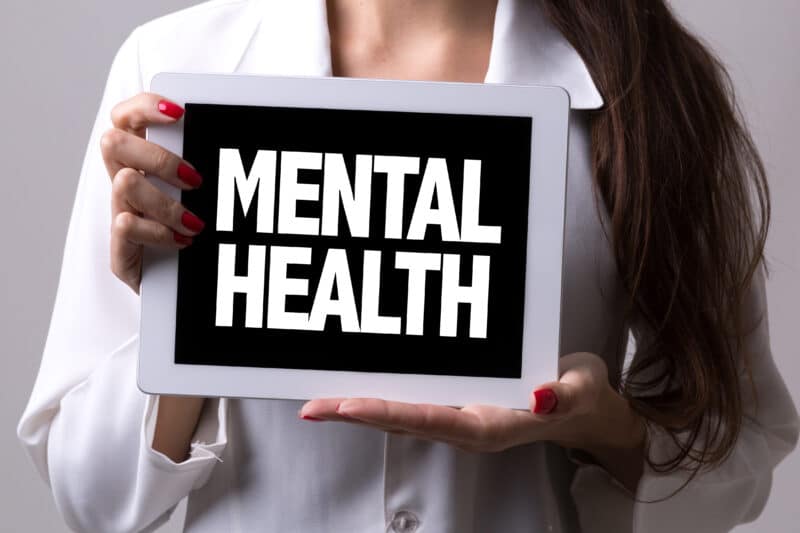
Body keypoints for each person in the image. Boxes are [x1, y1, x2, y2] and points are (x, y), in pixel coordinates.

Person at [17, 0, 799, 531]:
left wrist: (604, 426)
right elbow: (93, 497)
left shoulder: (657, 93)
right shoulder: (175, 70)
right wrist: (187, 309)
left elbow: (742, 451)